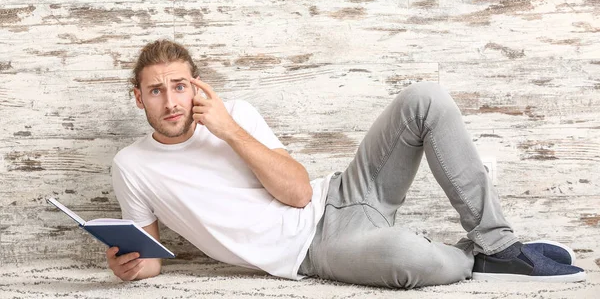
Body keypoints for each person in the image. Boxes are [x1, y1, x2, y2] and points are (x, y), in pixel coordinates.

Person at [106, 39, 586, 288]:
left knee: (425, 99)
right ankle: (473, 257)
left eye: (179, 86)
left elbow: (297, 192)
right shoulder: (133, 165)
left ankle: (499, 244)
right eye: (156, 89)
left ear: (197, 86)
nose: (170, 100)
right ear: (138, 98)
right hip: (314, 252)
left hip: (342, 193)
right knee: (406, 259)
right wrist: (128, 266)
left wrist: (228, 129)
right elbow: (148, 259)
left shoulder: (237, 116)